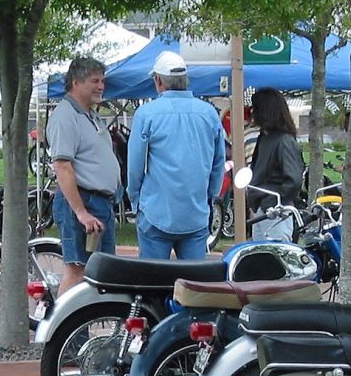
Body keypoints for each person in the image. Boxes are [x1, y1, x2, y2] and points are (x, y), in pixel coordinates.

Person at [127, 51, 225, 260]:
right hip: (195, 211)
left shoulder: (147, 114)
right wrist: (209, 197)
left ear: (158, 80)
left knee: (152, 285)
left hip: (156, 211)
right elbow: (218, 163)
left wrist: (135, 200)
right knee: (193, 286)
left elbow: (135, 165)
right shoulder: (209, 113)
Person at [47, 56, 122, 292]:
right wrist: (81, 212)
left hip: (99, 203)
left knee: (101, 271)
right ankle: (66, 328)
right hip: (81, 203)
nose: (101, 86)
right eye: (95, 81)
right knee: (77, 271)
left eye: (103, 81)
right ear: (76, 82)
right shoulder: (64, 117)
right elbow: (62, 166)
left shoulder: (88, 114)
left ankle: (82, 326)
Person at [247, 88, 305, 241]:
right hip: (263, 209)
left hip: (275, 212)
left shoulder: (285, 141)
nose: (253, 113)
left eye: (256, 108)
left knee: (275, 257)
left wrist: (270, 203)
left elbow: (294, 180)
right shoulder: (265, 138)